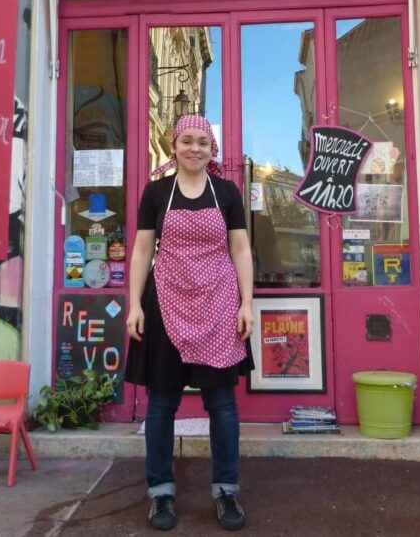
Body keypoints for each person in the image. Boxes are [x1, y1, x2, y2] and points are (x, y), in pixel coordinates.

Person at [125, 114, 254, 532]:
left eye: (203, 141)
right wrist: (134, 305)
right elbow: (143, 250)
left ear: (211, 148)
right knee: (162, 405)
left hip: (218, 304)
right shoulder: (157, 191)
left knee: (222, 405)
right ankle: (161, 494)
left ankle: (226, 490)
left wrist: (246, 303)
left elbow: (241, 248)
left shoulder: (228, 192)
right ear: (173, 146)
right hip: (164, 302)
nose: (195, 148)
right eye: (187, 141)